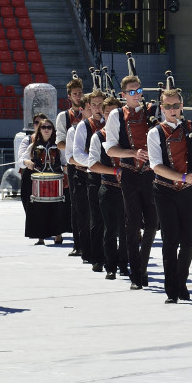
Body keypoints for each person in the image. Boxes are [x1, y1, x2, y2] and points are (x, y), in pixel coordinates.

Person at [148, 87, 192, 303]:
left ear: (181, 106)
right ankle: (171, 290)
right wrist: (183, 178)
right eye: (168, 106)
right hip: (164, 190)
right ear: (162, 108)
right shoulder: (155, 132)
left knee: (189, 241)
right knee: (170, 241)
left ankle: (181, 282)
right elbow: (156, 166)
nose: (172, 110)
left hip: (188, 191)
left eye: (176, 105)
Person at [104, 74, 158, 290]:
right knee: (132, 225)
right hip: (129, 174)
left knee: (153, 224)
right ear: (123, 95)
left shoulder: (152, 112)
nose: (137, 95)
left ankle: (142, 266)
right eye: (132, 91)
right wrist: (133, 153)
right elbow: (110, 148)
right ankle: (136, 274)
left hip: (151, 174)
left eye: (139, 90)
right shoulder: (116, 115)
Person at [86, 96, 128, 280]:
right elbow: (93, 165)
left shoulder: (129, 134)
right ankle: (110, 265)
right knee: (110, 229)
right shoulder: (98, 136)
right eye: (107, 113)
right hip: (109, 188)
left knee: (128, 229)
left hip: (129, 189)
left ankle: (125, 264)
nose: (110, 116)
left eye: (114, 113)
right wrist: (115, 170)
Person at [22, 115, 69, 245]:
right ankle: (40, 237)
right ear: (40, 130)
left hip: (55, 180)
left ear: (53, 130)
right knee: (38, 207)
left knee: (57, 207)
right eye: (43, 127)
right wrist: (27, 162)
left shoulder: (58, 146)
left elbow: (65, 162)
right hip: (39, 180)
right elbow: (22, 160)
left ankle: (58, 235)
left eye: (49, 127)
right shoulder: (33, 146)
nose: (46, 129)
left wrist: (65, 173)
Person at [72, 90, 106, 270]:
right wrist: (94, 164)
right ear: (89, 107)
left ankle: (108, 253)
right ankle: (91, 254)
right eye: (94, 104)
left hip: (109, 176)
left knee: (109, 217)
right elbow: (77, 153)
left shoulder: (112, 124)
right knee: (90, 217)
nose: (98, 108)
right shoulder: (83, 126)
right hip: (88, 175)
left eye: (101, 104)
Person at [56, 76, 86, 257]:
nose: (78, 96)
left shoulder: (89, 111)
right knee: (76, 206)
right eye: (75, 94)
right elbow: (59, 143)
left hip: (90, 164)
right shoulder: (64, 116)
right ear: (69, 97)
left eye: (81, 93)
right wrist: (79, 147)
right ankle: (78, 243)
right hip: (74, 164)